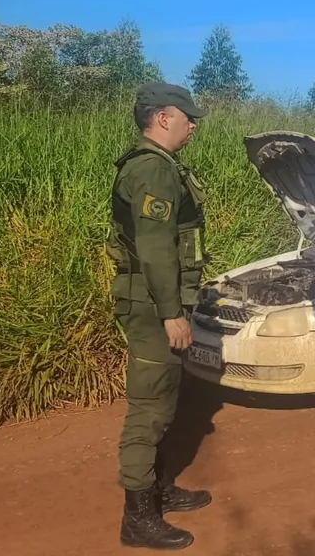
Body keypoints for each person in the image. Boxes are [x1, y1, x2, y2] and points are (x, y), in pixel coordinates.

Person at [107, 81, 213, 550]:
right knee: (149, 410)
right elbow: (154, 249)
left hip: (157, 302)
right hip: (153, 307)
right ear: (163, 118)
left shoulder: (158, 165)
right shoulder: (152, 170)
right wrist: (172, 313)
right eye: (188, 118)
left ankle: (158, 490)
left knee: (166, 401)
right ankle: (137, 519)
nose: (193, 126)